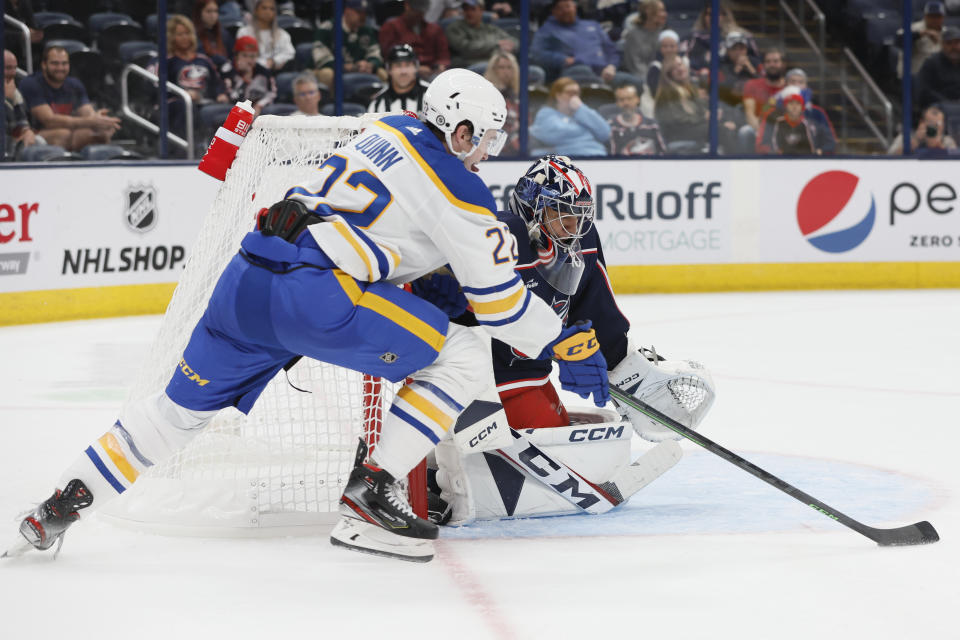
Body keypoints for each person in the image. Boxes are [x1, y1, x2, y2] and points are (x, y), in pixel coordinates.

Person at [6, 69, 608, 565]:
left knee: (167, 421)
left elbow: (394, 225)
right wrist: (564, 343)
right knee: (464, 354)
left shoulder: (383, 128)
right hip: (314, 294)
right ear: (462, 129)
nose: (488, 154)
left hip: (245, 282)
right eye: (486, 139)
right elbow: (499, 305)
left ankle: (55, 508)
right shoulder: (460, 188)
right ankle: (370, 495)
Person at [424, 155, 714, 523]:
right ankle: (432, 472)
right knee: (522, 450)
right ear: (532, 208)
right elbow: (470, 313)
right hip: (478, 379)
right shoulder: (503, 237)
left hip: (531, 377)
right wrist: (553, 344)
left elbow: (597, 309)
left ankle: (441, 461)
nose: (573, 224)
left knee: (559, 438)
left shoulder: (581, 242)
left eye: (580, 213)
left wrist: (621, 365)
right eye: (561, 213)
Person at [18, 45, 121, 152]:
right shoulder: (31, 84)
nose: (60, 68)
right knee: (64, 134)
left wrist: (101, 122)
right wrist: (91, 121)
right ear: (44, 65)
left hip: (70, 132)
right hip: (33, 134)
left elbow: (88, 114)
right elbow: (49, 121)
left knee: (100, 134)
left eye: (64, 63)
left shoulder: (74, 84)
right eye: (55, 63)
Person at [531, 0, 620, 83]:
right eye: (560, 8)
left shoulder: (593, 25)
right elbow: (537, 53)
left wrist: (611, 66)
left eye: (567, 6)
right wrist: (562, 59)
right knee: (582, 71)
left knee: (627, 81)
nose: (565, 11)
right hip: (572, 70)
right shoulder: (547, 29)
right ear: (553, 12)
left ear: (575, 7)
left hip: (604, 70)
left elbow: (611, 50)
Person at [312, 0, 385, 89]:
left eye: (364, 13)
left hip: (358, 69)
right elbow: (321, 59)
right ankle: (329, 102)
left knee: (382, 73)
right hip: (326, 70)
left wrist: (370, 65)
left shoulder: (367, 30)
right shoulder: (327, 28)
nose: (362, 16)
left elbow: (375, 53)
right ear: (347, 11)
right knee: (327, 74)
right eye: (358, 12)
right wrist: (345, 67)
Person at [530, 77, 610, 156]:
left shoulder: (584, 112)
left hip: (597, 156)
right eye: (570, 93)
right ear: (558, 95)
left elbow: (605, 133)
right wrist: (588, 132)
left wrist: (581, 108)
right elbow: (556, 135)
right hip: (569, 158)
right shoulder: (546, 113)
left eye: (577, 93)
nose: (575, 97)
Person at [682, 0, 759, 76]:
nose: (712, 17)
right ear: (704, 17)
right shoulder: (694, 37)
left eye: (717, 14)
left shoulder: (741, 36)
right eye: (709, 14)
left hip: (732, 79)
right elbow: (686, 60)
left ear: (725, 16)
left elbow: (756, 61)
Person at [379, 0, 451, 80]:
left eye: (421, 11)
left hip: (432, 72)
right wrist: (415, 67)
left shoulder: (435, 29)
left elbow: (444, 56)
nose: (419, 14)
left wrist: (440, 66)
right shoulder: (391, 27)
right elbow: (389, 56)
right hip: (404, 71)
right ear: (407, 6)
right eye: (416, 10)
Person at [444, 0, 517, 68]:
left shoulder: (490, 28)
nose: (469, 13)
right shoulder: (455, 28)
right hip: (468, 67)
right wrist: (496, 44)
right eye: (466, 9)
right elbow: (467, 48)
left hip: (493, 65)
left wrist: (510, 46)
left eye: (473, 9)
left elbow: (513, 41)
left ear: (482, 11)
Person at [367, 44, 431, 113]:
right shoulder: (377, 103)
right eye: (398, 65)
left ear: (416, 67)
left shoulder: (431, 95)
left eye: (408, 65)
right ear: (389, 69)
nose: (403, 71)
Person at [606, 83, 666, 155]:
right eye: (621, 100)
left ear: (637, 99)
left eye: (629, 98)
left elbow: (663, 153)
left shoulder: (652, 125)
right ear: (617, 103)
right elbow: (612, 158)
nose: (626, 103)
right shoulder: (612, 127)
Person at [236, 0, 295, 72]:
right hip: (251, 71)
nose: (268, 11)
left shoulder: (283, 34)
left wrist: (274, 61)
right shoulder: (244, 32)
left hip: (276, 71)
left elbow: (290, 53)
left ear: (275, 13)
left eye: (272, 9)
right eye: (264, 8)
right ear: (256, 11)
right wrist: (261, 63)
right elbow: (241, 55)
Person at [223, 36, 276, 115]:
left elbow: (272, 94)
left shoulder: (264, 72)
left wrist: (259, 105)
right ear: (237, 56)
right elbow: (232, 98)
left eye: (252, 56)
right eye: (244, 55)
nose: (249, 60)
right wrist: (246, 77)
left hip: (258, 108)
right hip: (233, 107)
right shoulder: (228, 70)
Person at [4, 49, 41, 158]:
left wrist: (26, 131)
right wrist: (5, 98)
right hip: (5, 143)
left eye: (14, 68)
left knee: (39, 142)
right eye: (7, 68)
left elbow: (21, 119)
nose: (13, 73)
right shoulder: (8, 91)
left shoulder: (14, 90)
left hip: (13, 141)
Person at [483, 50, 521, 156]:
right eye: (501, 67)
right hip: (492, 148)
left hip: (514, 147)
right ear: (493, 70)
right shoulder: (487, 93)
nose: (506, 71)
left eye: (509, 68)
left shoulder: (516, 94)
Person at [742, 47, 786, 135]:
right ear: (764, 65)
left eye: (776, 61)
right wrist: (762, 132)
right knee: (746, 131)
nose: (772, 65)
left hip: (785, 130)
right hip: (759, 128)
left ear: (783, 64)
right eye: (768, 62)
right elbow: (749, 114)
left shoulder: (790, 88)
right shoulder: (752, 85)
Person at [896, 1, 945, 79]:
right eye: (931, 16)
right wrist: (921, 34)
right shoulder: (913, 28)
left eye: (938, 16)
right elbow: (898, 41)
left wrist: (941, 42)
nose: (934, 19)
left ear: (943, 17)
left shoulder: (947, 33)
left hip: (937, 79)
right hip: (913, 77)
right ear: (925, 16)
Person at [769, 88, 825, 156]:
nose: (794, 107)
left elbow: (822, 143)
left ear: (802, 107)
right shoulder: (776, 123)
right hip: (782, 160)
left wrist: (818, 151)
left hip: (806, 160)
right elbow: (771, 144)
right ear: (785, 106)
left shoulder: (810, 125)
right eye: (791, 103)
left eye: (798, 104)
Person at [887, 104, 958, 155]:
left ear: (943, 126)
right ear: (922, 123)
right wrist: (915, 141)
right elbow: (890, 156)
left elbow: (954, 160)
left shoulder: (947, 140)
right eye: (930, 124)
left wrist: (937, 145)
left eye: (937, 125)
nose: (933, 129)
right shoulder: (905, 137)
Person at [917, 26, 960, 109]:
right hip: (939, 106)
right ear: (942, 45)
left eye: (957, 43)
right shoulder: (931, 63)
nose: (953, 47)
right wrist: (948, 103)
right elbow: (925, 91)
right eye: (949, 43)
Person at [621, 0, 667, 78]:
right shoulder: (633, 35)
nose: (665, 14)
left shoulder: (664, 33)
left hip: (662, 78)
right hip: (639, 78)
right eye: (661, 11)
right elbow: (635, 65)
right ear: (649, 12)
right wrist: (649, 81)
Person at [194, 0, 234, 71]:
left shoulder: (224, 33)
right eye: (209, 11)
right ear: (199, 13)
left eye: (215, 11)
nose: (213, 15)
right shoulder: (193, 35)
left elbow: (232, 56)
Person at [645, 29, 684, 96]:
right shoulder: (656, 66)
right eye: (665, 46)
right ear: (660, 48)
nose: (668, 50)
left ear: (677, 47)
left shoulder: (684, 62)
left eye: (672, 46)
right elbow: (655, 90)